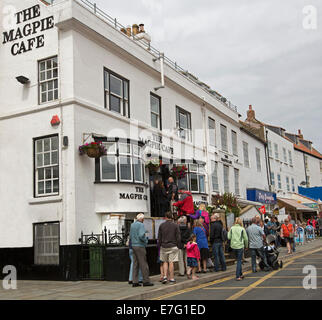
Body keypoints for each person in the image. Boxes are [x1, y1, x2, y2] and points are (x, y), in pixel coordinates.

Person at [129, 213, 154, 287]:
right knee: (143, 264)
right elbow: (141, 235)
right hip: (140, 246)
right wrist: (145, 240)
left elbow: (130, 235)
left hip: (133, 245)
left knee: (135, 264)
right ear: (142, 219)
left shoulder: (132, 225)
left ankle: (135, 282)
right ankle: (146, 281)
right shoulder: (141, 225)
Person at [158, 212, 181, 284]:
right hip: (173, 246)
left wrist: (160, 245)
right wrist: (178, 245)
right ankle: (171, 278)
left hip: (164, 246)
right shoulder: (175, 225)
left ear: (165, 217)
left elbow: (159, 237)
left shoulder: (161, 225)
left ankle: (165, 276)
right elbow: (178, 237)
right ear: (171, 217)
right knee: (171, 262)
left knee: (165, 262)